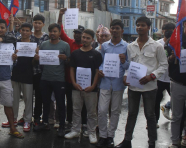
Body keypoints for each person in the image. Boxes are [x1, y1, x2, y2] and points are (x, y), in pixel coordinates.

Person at [116, 17, 168, 148]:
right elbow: (131, 65)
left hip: (150, 87)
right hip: (134, 86)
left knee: (150, 115)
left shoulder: (157, 46)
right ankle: (127, 141)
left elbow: (163, 65)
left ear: (149, 27)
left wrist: (152, 76)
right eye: (138, 25)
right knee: (131, 113)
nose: (140, 27)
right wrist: (126, 75)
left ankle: (151, 142)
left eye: (143, 25)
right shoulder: (130, 46)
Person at [65, 29, 102, 144]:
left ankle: (91, 132)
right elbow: (71, 69)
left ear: (92, 40)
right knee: (76, 109)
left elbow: (97, 71)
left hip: (91, 89)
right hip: (77, 87)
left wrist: (93, 86)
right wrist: (74, 83)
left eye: (88, 38)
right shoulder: (75, 53)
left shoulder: (96, 54)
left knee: (91, 112)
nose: (85, 40)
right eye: (84, 37)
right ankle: (75, 130)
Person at [33, 23, 70, 138]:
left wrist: (66, 58)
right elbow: (38, 62)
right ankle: (45, 123)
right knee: (46, 102)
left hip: (59, 79)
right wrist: (36, 58)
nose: (52, 34)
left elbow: (70, 62)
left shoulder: (65, 45)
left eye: (55, 31)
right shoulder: (43, 44)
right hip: (45, 78)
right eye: (50, 31)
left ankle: (62, 126)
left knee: (60, 103)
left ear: (59, 33)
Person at [96, 19, 129, 147]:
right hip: (105, 81)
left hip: (118, 83)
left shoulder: (127, 46)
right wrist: (99, 70)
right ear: (110, 30)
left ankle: (110, 136)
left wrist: (124, 61)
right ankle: (103, 136)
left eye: (117, 28)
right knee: (102, 110)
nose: (114, 30)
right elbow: (101, 62)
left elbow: (128, 66)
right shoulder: (104, 46)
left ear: (122, 30)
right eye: (112, 28)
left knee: (115, 111)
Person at [167, 14, 186, 148]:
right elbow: (167, 60)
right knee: (176, 116)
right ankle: (175, 141)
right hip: (178, 83)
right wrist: (172, 57)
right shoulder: (175, 41)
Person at [58, 8, 84, 129]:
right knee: (69, 102)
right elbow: (61, 31)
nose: (77, 35)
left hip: (83, 80)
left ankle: (82, 124)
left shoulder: (87, 46)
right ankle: (69, 122)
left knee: (81, 104)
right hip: (68, 79)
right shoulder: (70, 42)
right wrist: (60, 15)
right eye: (76, 32)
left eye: (79, 33)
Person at [7, 22, 35, 132]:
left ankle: (27, 120)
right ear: (20, 31)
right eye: (23, 30)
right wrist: (12, 57)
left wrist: (36, 57)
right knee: (13, 99)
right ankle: (13, 119)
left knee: (28, 99)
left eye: (27, 30)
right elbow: (9, 58)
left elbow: (34, 63)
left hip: (28, 75)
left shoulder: (34, 45)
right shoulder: (15, 43)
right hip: (15, 74)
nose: (25, 32)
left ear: (30, 33)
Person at [154, 22, 175, 126]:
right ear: (163, 31)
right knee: (156, 100)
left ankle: (177, 122)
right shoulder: (157, 44)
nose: (169, 32)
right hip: (160, 78)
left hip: (172, 78)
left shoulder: (177, 44)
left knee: (177, 101)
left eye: (171, 30)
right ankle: (154, 121)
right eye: (167, 30)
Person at [31, 14, 49, 126]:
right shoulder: (28, 35)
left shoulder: (46, 37)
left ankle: (37, 117)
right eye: (35, 22)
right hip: (29, 70)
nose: (37, 25)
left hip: (41, 71)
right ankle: (26, 116)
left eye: (39, 23)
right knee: (27, 97)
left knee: (39, 96)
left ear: (43, 24)